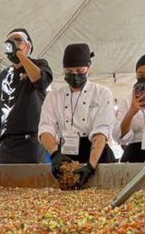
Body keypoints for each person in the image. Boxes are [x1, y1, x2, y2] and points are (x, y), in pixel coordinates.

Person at [39, 43, 116, 189]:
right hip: (66, 157)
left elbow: (102, 130)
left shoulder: (102, 93)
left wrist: (91, 166)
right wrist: (54, 154)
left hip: (97, 155)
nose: (74, 75)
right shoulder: (53, 97)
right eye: (69, 71)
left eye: (80, 70)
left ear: (89, 69)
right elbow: (45, 128)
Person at [0, 28, 53, 164]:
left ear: (28, 46)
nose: (13, 44)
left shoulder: (39, 64)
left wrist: (19, 54)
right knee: (5, 184)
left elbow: (41, 81)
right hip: (7, 144)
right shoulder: (2, 76)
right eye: (10, 42)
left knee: (33, 183)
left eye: (18, 41)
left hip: (31, 142)